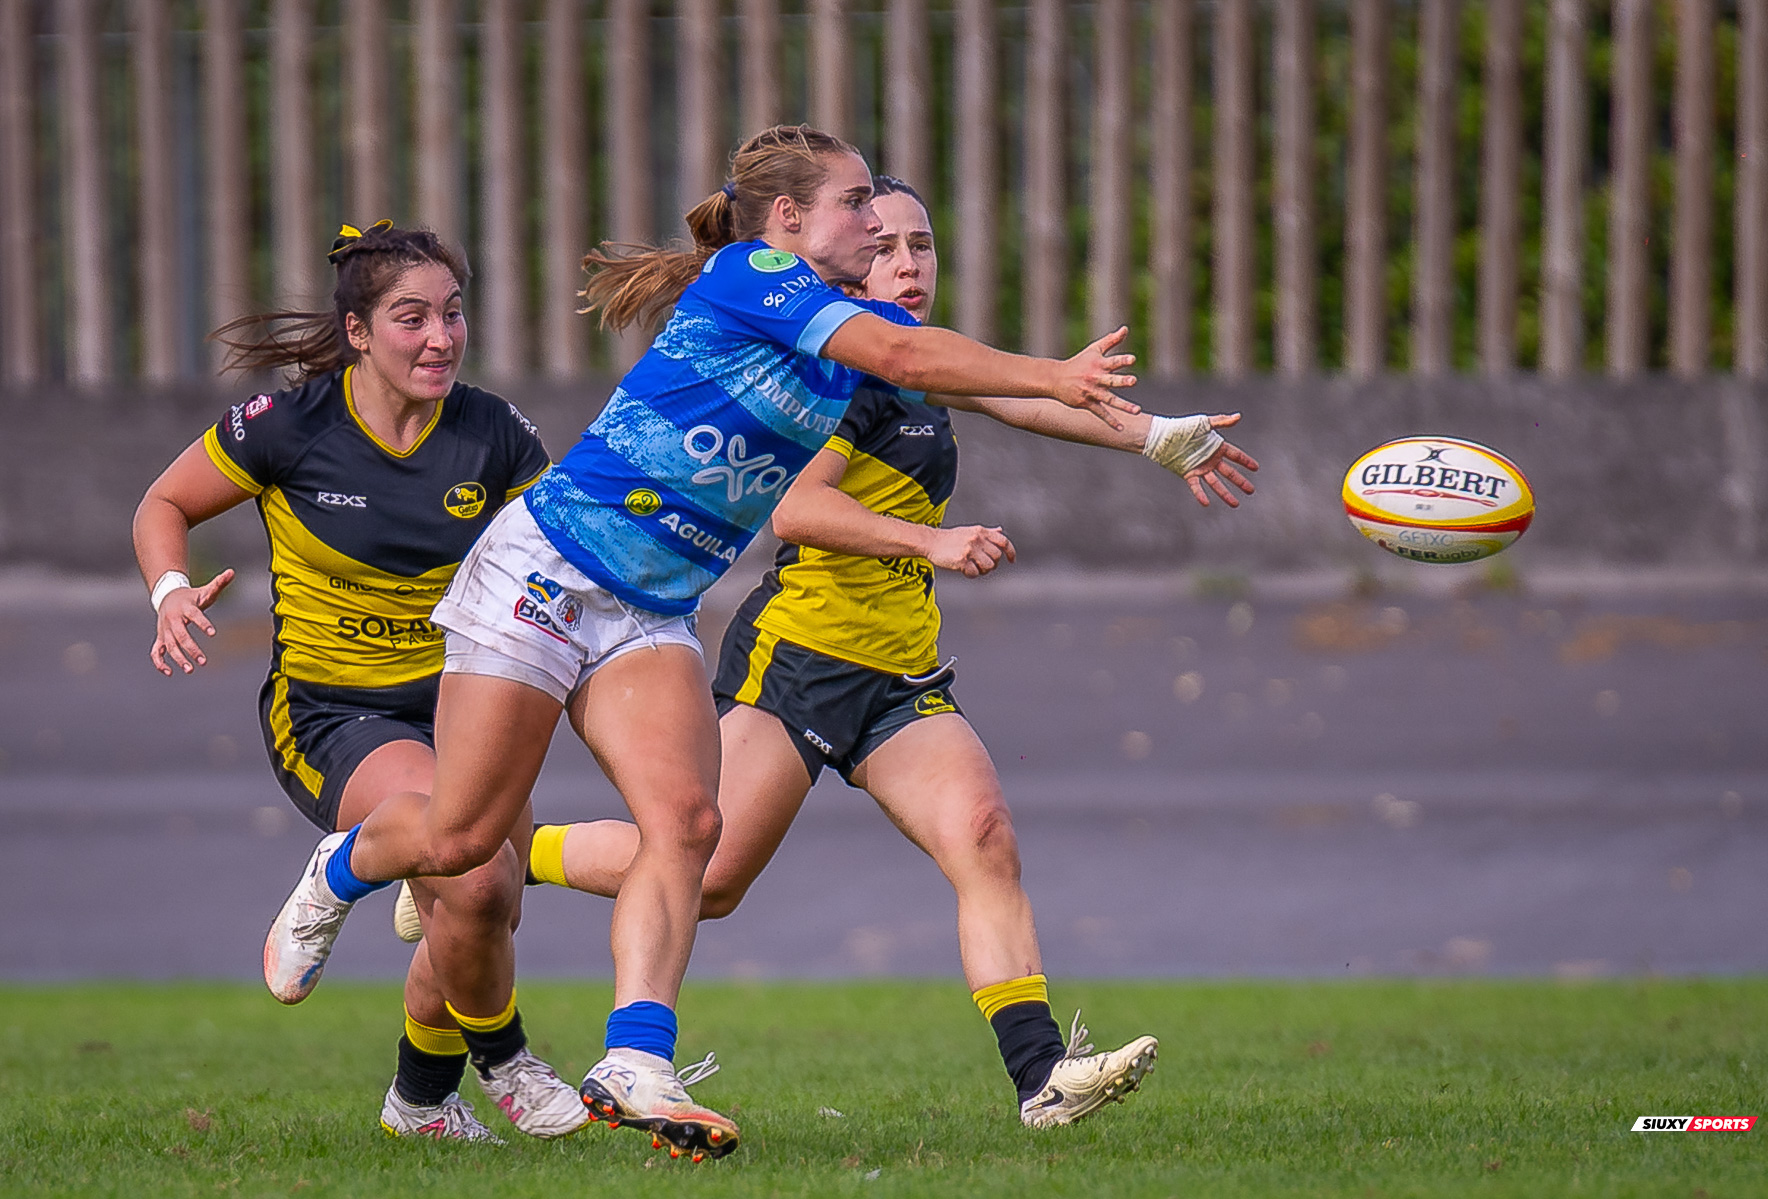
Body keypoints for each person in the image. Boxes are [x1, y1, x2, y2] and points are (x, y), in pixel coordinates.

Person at [261, 124, 1147, 1164]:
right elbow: (915, 355)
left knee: (686, 821)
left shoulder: (848, 323)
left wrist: (1160, 434)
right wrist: (1055, 369)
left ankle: (636, 1055)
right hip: (550, 571)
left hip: (651, 604)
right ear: (789, 222)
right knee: (459, 841)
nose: (880, 224)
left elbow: (948, 373)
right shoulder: (753, 275)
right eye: (859, 203)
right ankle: (347, 864)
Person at [497, 175, 1258, 1127]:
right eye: (885, 242)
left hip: (900, 673)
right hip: (800, 661)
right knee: (712, 871)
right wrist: (931, 542)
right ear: (846, 253)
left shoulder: (915, 367)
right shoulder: (829, 374)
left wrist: (1159, 439)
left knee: (983, 835)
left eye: (923, 245)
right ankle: (511, 851)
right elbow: (795, 506)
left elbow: (1026, 405)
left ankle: (1040, 1079)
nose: (907, 262)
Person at [132, 222, 588, 1143]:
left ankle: (418, 1105)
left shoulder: (494, 432)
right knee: (466, 869)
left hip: (467, 704)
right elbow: (164, 502)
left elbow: (563, 554)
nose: (441, 338)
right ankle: (502, 1057)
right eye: (412, 318)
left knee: (487, 897)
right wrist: (171, 591)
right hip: (335, 711)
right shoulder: (289, 425)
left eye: (453, 315)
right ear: (359, 332)